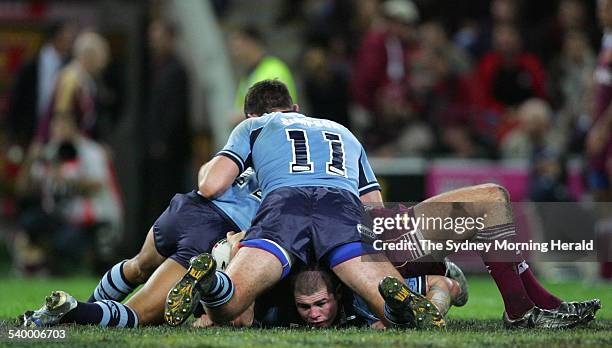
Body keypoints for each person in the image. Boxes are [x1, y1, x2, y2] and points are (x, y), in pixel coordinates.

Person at [165, 79, 444, 330]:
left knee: (229, 306)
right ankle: (396, 310)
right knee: (382, 301)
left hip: (284, 205)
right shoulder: (342, 131)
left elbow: (212, 185)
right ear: (296, 108)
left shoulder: (252, 126)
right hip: (340, 207)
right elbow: (373, 206)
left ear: (252, 114)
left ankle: (212, 281)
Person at [19, 168, 261, 328]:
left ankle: (88, 306)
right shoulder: (293, 185)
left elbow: (209, 176)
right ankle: (73, 311)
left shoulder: (251, 149)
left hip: (186, 207)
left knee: (137, 267)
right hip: (214, 230)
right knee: (137, 314)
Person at [370, 183, 600, 328]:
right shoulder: (341, 136)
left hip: (380, 235)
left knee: (493, 199)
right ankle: (522, 309)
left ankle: (535, 304)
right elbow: (370, 204)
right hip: (380, 241)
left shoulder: (340, 136)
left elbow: (370, 205)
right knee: (491, 199)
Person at [142, 19, 191, 228]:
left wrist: (162, 141)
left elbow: (175, 111)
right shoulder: (155, 67)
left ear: (169, 39)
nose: (154, 42)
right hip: (156, 145)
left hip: (171, 149)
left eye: (158, 37)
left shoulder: (177, 69)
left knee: (168, 194)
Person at [6, 21, 76, 149]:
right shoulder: (30, 66)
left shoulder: (71, 66)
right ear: (55, 38)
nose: (70, 41)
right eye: (67, 37)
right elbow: (16, 100)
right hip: (30, 131)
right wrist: (14, 133)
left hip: (61, 133)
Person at [36, 31, 110, 143]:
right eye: (99, 58)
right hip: (67, 140)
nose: (101, 63)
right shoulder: (70, 78)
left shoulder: (87, 79)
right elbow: (62, 117)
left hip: (79, 138)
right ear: (89, 56)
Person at [228, 25, 297, 124]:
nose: (234, 51)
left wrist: (239, 117)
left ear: (251, 42)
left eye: (237, 45)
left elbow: (275, 109)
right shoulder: (247, 76)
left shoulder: (275, 68)